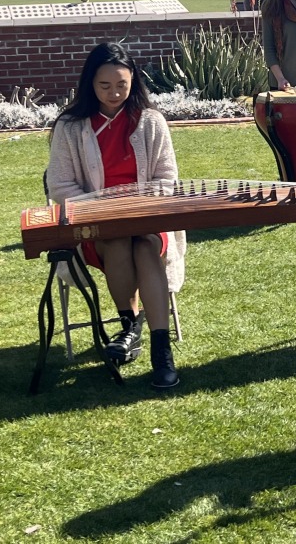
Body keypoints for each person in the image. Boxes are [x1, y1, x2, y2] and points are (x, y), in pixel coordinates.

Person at [46, 42, 186, 389]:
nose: (114, 93)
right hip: (98, 226)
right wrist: (105, 209)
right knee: (121, 241)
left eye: (122, 85)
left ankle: (158, 348)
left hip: (147, 219)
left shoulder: (151, 121)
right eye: (104, 86)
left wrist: (137, 206)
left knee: (144, 246)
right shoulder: (71, 126)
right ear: (90, 84)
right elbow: (60, 186)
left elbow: (167, 179)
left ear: (133, 81)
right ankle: (130, 325)